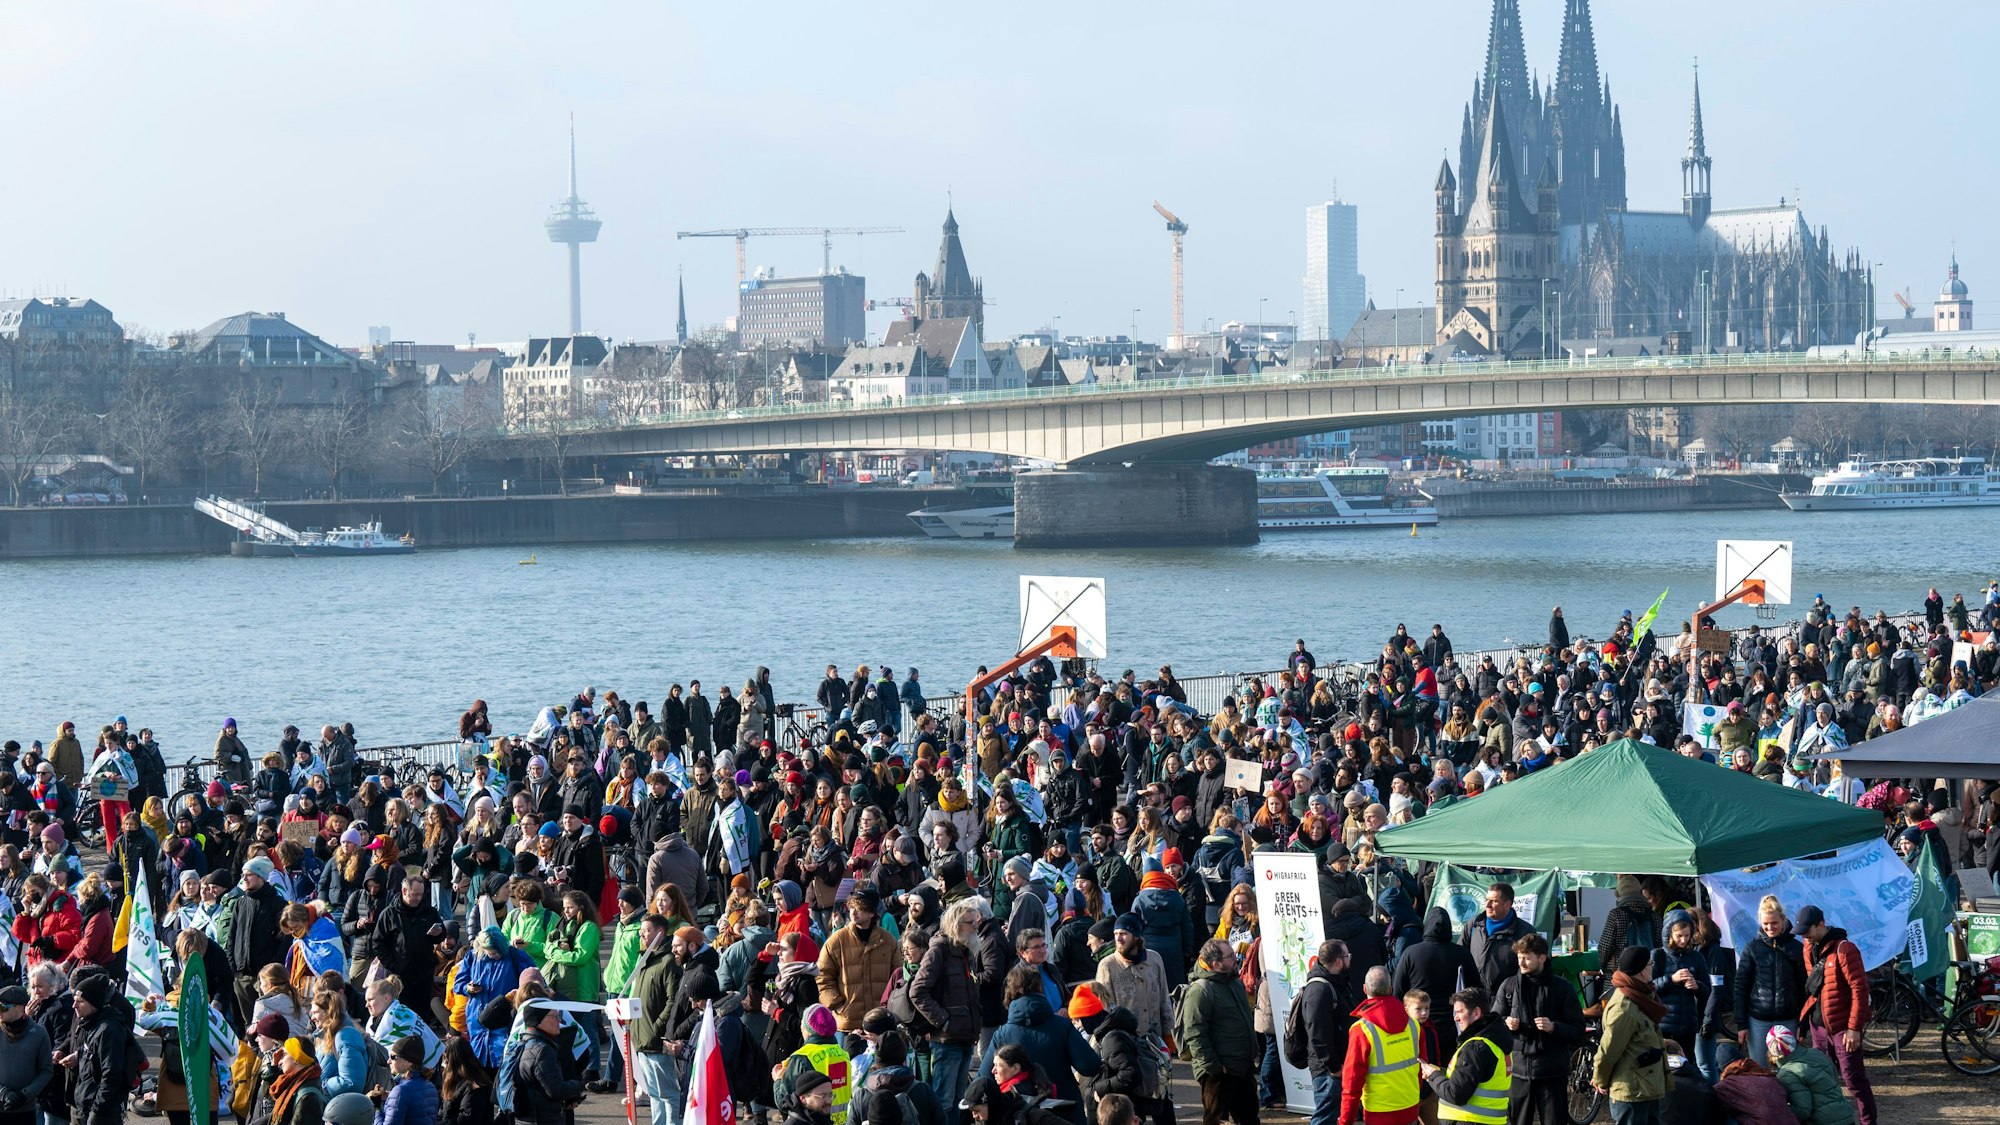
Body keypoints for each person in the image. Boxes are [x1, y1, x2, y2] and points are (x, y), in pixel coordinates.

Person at [981, 965, 1100, 1125]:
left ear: (1010, 990)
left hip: (1020, 1113)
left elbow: (984, 1079)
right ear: (1040, 988)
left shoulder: (1002, 1034)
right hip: (1064, 1110)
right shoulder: (1062, 1026)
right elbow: (1090, 1065)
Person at [1792, 906, 1874, 1125]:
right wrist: (1803, 1024)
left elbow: (1860, 990)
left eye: (1806, 930)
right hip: (1819, 1027)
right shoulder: (1807, 947)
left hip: (1842, 1028)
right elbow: (1814, 990)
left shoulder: (1845, 949)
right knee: (1824, 1082)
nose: (1803, 936)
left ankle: (1868, 1122)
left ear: (1821, 924)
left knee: (1854, 1080)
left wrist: (1854, 1028)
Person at [1492, 933, 1582, 1125]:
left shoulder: (1562, 988)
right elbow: (1492, 1024)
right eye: (1519, 958)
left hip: (1552, 1072)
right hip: (1518, 1071)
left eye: (1526, 957)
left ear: (1542, 958)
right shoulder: (1508, 987)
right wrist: (1505, 1023)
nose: (1521, 963)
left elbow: (1578, 1029)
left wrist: (1554, 1028)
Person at [912, 897, 983, 1113]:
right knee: (944, 1102)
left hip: (965, 1037)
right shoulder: (939, 950)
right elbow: (918, 991)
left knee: (959, 1102)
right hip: (947, 1040)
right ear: (956, 925)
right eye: (970, 922)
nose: (975, 926)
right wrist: (944, 1021)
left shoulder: (966, 950)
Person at [1393, 909, 1482, 1064]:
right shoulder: (1462, 954)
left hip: (1420, 1025)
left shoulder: (1411, 953)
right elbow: (1476, 991)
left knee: (1422, 1071)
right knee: (1450, 1073)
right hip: (1454, 1025)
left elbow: (1397, 991)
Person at [1591, 948, 1667, 1125]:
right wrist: (1600, 1080)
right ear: (1641, 970)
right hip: (1631, 1092)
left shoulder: (1642, 995)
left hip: (1647, 1087)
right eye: (1650, 964)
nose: (1653, 967)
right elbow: (1609, 1050)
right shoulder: (1624, 1007)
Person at [1340, 966, 1421, 1125]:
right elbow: (1421, 1068)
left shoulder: (1361, 1030)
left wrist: (1345, 1121)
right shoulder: (1413, 1025)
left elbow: (1352, 1083)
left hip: (1379, 1111)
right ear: (1391, 989)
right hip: (1410, 1106)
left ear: (1364, 989)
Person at [1419, 988, 1511, 1125]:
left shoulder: (1476, 1048)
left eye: (1460, 1012)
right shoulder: (1497, 1041)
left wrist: (1433, 1075)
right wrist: (1440, 1073)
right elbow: (1474, 1078)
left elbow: (1455, 1094)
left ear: (1476, 1013)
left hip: (1469, 1120)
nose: (1455, 1018)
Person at [1733, 896, 1804, 1068]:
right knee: (1759, 1070)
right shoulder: (1752, 948)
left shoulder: (1796, 948)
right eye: (1765, 923)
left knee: (1789, 1071)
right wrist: (1741, 1024)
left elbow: (1804, 987)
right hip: (1758, 1020)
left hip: (1788, 1019)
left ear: (1783, 920)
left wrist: (1804, 1023)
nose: (1770, 927)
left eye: (1774, 923)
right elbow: (1741, 986)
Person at [1289, 939, 1353, 1125]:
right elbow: (1318, 1035)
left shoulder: (1337, 982)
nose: (1350, 960)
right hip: (1328, 1070)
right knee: (1325, 1118)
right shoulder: (1319, 990)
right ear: (1339, 961)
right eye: (1347, 956)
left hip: (1337, 1065)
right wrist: (1334, 1067)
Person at [818, 886, 899, 1031]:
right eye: (851, 907)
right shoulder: (836, 941)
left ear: (872, 913)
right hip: (847, 1023)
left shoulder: (888, 941)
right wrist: (838, 1005)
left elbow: (898, 977)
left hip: (879, 1023)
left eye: (859, 908)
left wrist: (890, 1007)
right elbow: (823, 976)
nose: (853, 912)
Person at [628, 914, 683, 1125]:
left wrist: (657, 1027)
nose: (642, 933)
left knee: (668, 1093)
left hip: (657, 1039)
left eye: (647, 930)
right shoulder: (646, 959)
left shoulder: (668, 961)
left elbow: (674, 1000)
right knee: (654, 1094)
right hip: (642, 1039)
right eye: (641, 930)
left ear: (660, 933)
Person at [63, 973, 130, 1125]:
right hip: (85, 1107)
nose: (74, 1006)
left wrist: (97, 1112)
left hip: (100, 1113)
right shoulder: (91, 1024)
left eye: (80, 1001)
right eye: (74, 1001)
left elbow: (111, 1075)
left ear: (94, 1004)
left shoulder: (109, 1030)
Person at [1093, 913, 1170, 1045]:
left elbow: (1164, 999)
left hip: (1155, 1039)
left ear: (1136, 936)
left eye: (1123, 933)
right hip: (1125, 1042)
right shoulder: (1107, 965)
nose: (1118, 938)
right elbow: (1104, 1009)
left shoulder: (1155, 959)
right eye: (1116, 933)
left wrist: (1168, 1032)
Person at [1763, 1026, 1856, 1125]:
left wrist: (1777, 1110)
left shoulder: (1787, 1073)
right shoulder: (1816, 1053)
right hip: (1846, 1114)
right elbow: (1834, 1077)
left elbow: (1803, 1111)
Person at [513, 1001, 585, 1125]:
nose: (559, 1021)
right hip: (542, 1118)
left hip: (528, 1118)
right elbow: (556, 1090)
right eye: (555, 1017)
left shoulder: (523, 1043)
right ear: (539, 1021)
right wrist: (580, 1084)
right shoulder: (542, 1050)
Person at [1461, 884, 1533, 992]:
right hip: (1474, 997)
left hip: (1506, 998)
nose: (1488, 905)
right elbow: (1460, 955)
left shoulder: (1525, 932)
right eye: (1487, 900)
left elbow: (1530, 970)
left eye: (1494, 901)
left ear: (1507, 904)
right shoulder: (1474, 925)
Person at [0, 984, 53, 1125]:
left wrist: (24, 1095)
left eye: (2, 1007)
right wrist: (3, 1093)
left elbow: (46, 1070)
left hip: (25, 1110)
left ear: (19, 1007)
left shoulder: (39, 1033)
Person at [371, 1036, 439, 1125]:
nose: (388, 1061)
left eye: (392, 1056)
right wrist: (391, 1097)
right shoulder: (431, 1087)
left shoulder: (401, 1091)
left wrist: (377, 1107)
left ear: (409, 1062)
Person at [440, 1035, 496, 1125]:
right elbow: (444, 1110)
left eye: (446, 1058)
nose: (444, 1062)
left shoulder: (474, 1086)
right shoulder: (455, 1081)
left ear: (454, 1060)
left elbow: (466, 1119)